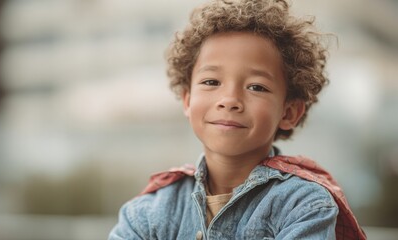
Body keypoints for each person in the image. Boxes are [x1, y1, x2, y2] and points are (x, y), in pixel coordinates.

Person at [109, 0, 366, 239]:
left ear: (288, 112)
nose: (229, 99)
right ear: (187, 100)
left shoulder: (305, 205)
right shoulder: (146, 212)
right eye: (211, 82)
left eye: (256, 87)